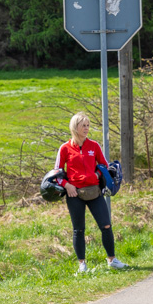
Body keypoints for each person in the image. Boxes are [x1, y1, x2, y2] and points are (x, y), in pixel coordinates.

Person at [54, 112, 127, 273]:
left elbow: (106, 166)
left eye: (88, 125)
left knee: (106, 225)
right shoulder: (64, 148)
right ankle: (82, 265)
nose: (87, 128)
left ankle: (112, 260)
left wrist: (97, 174)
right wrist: (67, 186)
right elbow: (56, 173)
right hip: (74, 194)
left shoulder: (94, 146)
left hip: (94, 192)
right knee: (78, 229)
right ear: (75, 127)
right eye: (83, 125)